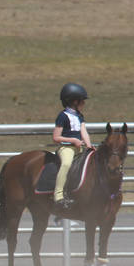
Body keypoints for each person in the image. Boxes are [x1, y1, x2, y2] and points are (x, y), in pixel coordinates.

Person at [52, 82, 93, 211]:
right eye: (82, 101)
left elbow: (84, 132)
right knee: (66, 164)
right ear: (75, 101)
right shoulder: (62, 116)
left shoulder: (80, 116)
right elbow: (56, 137)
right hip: (67, 148)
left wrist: (89, 146)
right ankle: (58, 195)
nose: (84, 104)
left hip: (79, 147)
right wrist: (73, 141)